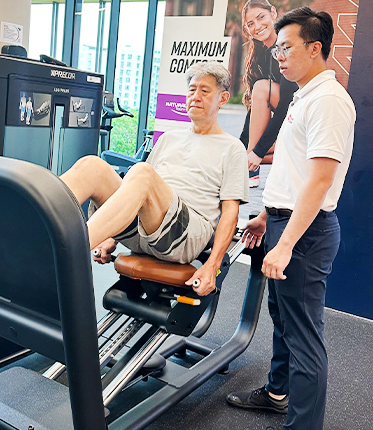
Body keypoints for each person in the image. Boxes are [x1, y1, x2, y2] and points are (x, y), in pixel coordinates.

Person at [226, 8, 355, 430]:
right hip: (283, 221)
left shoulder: (330, 101)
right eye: (276, 47)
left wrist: (285, 244)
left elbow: (318, 182)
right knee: (284, 321)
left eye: (286, 47)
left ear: (314, 48)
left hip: (306, 232)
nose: (277, 54)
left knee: (304, 337)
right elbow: (292, 172)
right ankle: (278, 393)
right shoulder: (304, 94)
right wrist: (267, 215)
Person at [60, 62, 248, 296]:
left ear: (222, 99)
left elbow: (230, 213)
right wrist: (111, 237)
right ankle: (35, 228)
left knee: (142, 173)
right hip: (145, 230)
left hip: (185, 235)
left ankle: (63, 251)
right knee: (93, 165)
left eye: (204, 91)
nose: (195, 97)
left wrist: (212, 265)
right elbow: (134, 194)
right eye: (191, 90)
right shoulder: (169, 138)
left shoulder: (232, 148)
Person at [238, 0, 295, 187]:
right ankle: (248, 166)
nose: (257, 26)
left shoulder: (286, 47)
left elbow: (286, 105)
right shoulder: (261, 53)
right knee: (246, 154)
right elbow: (254, 109)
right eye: (250, 23)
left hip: (305, 111)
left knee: (262, 87)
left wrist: (258, 150)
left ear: (273, 13)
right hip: (292, 117)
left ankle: (250, 167)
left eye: (261, 17)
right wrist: (244, 146)